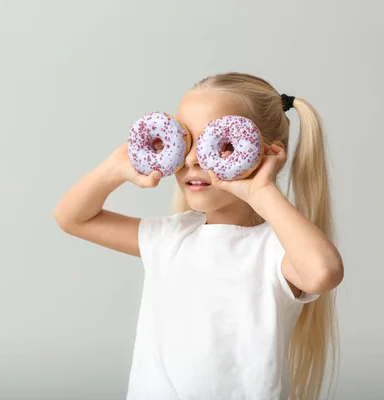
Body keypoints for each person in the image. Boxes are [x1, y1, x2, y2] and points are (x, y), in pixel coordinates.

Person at [53, 72, 344, 400]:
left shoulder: (276, 251)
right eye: (184, 141)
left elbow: (323, 272)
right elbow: (72, 218)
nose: (191, 158)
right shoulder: (170, 238)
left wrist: (261, 189)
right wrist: (115, 166)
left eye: (217, 145)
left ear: (264, 153)